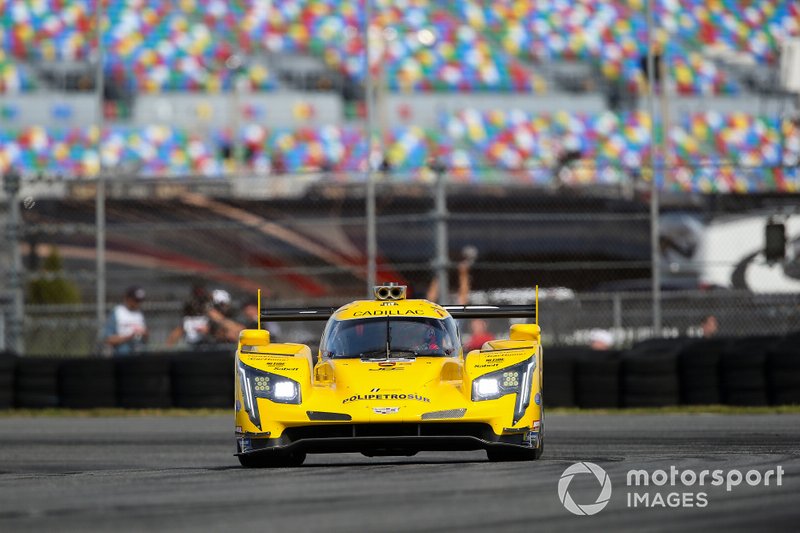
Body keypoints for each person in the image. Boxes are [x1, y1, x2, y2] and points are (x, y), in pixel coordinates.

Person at [102, 285, 148, 356]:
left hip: (138, 350)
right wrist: (129, 337)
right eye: (136, 300)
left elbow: (145, 339)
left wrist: (145, 334)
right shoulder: (117, 313)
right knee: (124, 349)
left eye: (140, 301)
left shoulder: (139, 314)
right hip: (121, 352)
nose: (138, 304)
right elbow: (108, 339)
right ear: (128, 299)